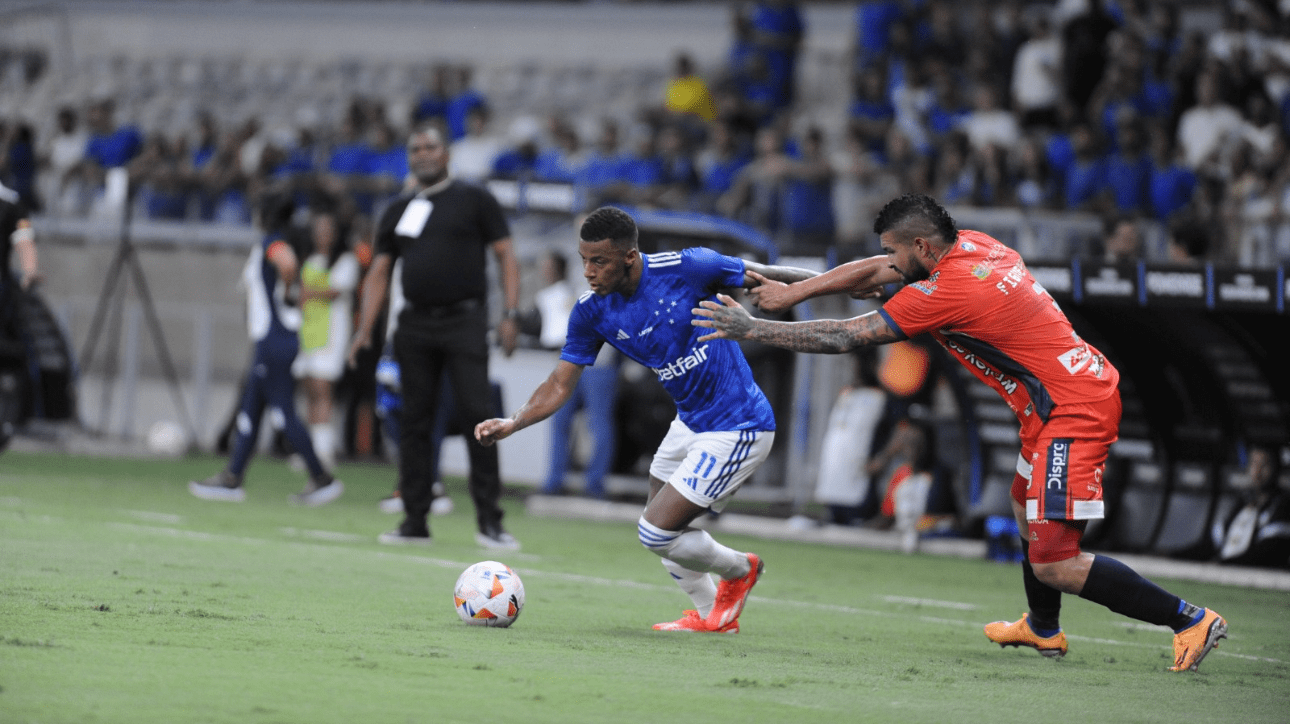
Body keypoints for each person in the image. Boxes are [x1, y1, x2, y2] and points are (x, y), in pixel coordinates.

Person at [693, 193, 1228, 672]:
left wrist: (755, 327)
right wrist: (797, 291)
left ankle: (1190, 618)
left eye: (897, 252)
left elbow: (844, 337)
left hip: (1073, 411)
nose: (890, 263)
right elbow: (879, 268)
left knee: (1057, 563)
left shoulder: (944, 292)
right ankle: (1043, 630)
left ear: (923, 247)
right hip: (1054, 402)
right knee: (1023, 509)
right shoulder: (976, 245)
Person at [475, 206, 818, 633]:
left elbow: (765, 272)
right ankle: (715, 616)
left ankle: (739, 570)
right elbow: (560, 384)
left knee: (655, 532)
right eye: (583, 260)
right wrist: (514, 421)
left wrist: (845, 284)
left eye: (598, 261)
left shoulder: (689, 267)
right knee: (664, 530)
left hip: (738, 424)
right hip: (690, 423)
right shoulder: (591, 312)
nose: (588, 271)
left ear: (630, 257)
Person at [347, 124, 521, 550]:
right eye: (415, 149)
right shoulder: (398, 208)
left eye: (430, 147)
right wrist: (364, 329)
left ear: (447, 155)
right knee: (414, 422)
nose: (422, 154)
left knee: (479, 417)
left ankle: (490, 522)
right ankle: (415, 520)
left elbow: (505, 255)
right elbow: (380, 272)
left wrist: (511, 315)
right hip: (415, 325)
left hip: (464, 321)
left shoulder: (474, 198)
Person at [189, 194, 344, 506]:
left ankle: (320, 477)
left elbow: (286, 262)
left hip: (275, 338)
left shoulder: (274, 241)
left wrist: (289, 290)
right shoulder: (274, 241)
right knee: (251, 409)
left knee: (284, 412)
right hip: (268, 339)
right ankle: (232, 477)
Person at [532, 250, 618, 499]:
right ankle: (554, 481)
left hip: (599, 363)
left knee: (598, 424)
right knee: (560, 421)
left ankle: (594, 484)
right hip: (569, 363)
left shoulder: (615, 289)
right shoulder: (567, 290)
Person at [292, 205, 360, 469]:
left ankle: (323, 450)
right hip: (308, 331)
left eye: (326, 230)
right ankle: (311, 448)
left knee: (322, 389)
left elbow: (333, 291)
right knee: (309, 389)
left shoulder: (345, 260)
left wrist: (309, 291)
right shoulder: (309, 259)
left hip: (331, 333)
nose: (322, 235)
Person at [1212, 446, 1290, 568]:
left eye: (1264, 465)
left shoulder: (1283, 504)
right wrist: (1173, 556)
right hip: (1223, 571)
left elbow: (1269, 551)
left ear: (1277, 468)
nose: (1257, 471)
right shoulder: (1242, 501)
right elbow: (1212, 543)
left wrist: (1224, 564)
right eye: (1254, 464)